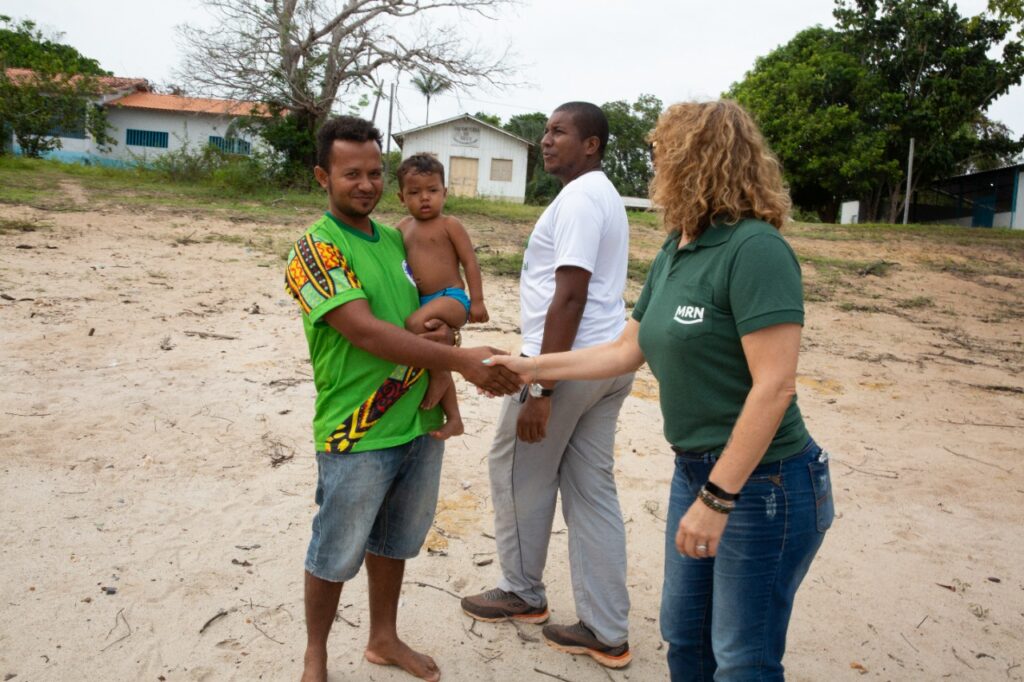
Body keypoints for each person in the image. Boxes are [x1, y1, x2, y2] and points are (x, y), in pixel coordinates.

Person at [482, 100, 835, 681]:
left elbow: (775, 387)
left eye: (662, 151)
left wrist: (719, 499)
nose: (654, 163)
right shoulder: (679, 247)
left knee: (741, 658)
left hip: (764, 483)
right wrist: (530, 367)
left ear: (699, 159)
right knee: (686, 641)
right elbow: (625, 350)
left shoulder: (756, 250)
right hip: (694, 469)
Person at [284, 115, 520, 682]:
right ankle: (315, 655)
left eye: (372, 173)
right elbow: (365, 331)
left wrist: (449, 333)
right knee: (335, 550)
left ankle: (383, 639)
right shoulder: (313, 251)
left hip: (418, 417)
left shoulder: (395, 238)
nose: (364, 184)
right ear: (323, 176)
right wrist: (462, 361)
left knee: (394, 541)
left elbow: (439, 305)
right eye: (350, 174)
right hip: (356, 428)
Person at [460, 102, 635, 669]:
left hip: (569, 366)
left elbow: (570, 295)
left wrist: (542, 387)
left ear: (592, 144)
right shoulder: (599, 193)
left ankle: (521, 592)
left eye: (560, 131)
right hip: (607, 361)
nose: (545, 139)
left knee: (515, 469)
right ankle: (606, 629)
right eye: (546, 130)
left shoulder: (583, 197)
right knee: (591, 491)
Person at [395, 153, 490, 441]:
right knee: (433, 346)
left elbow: (470, 262)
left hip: (451, 297)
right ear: (401, 197)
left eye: (432, 191)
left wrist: (477, 300)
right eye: (415, 192)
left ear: (445, 193)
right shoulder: (401, 229)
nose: (425, 198)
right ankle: (455, 419)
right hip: (425, 302)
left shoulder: (450, 225)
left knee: (414, 328)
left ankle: (440, 375)